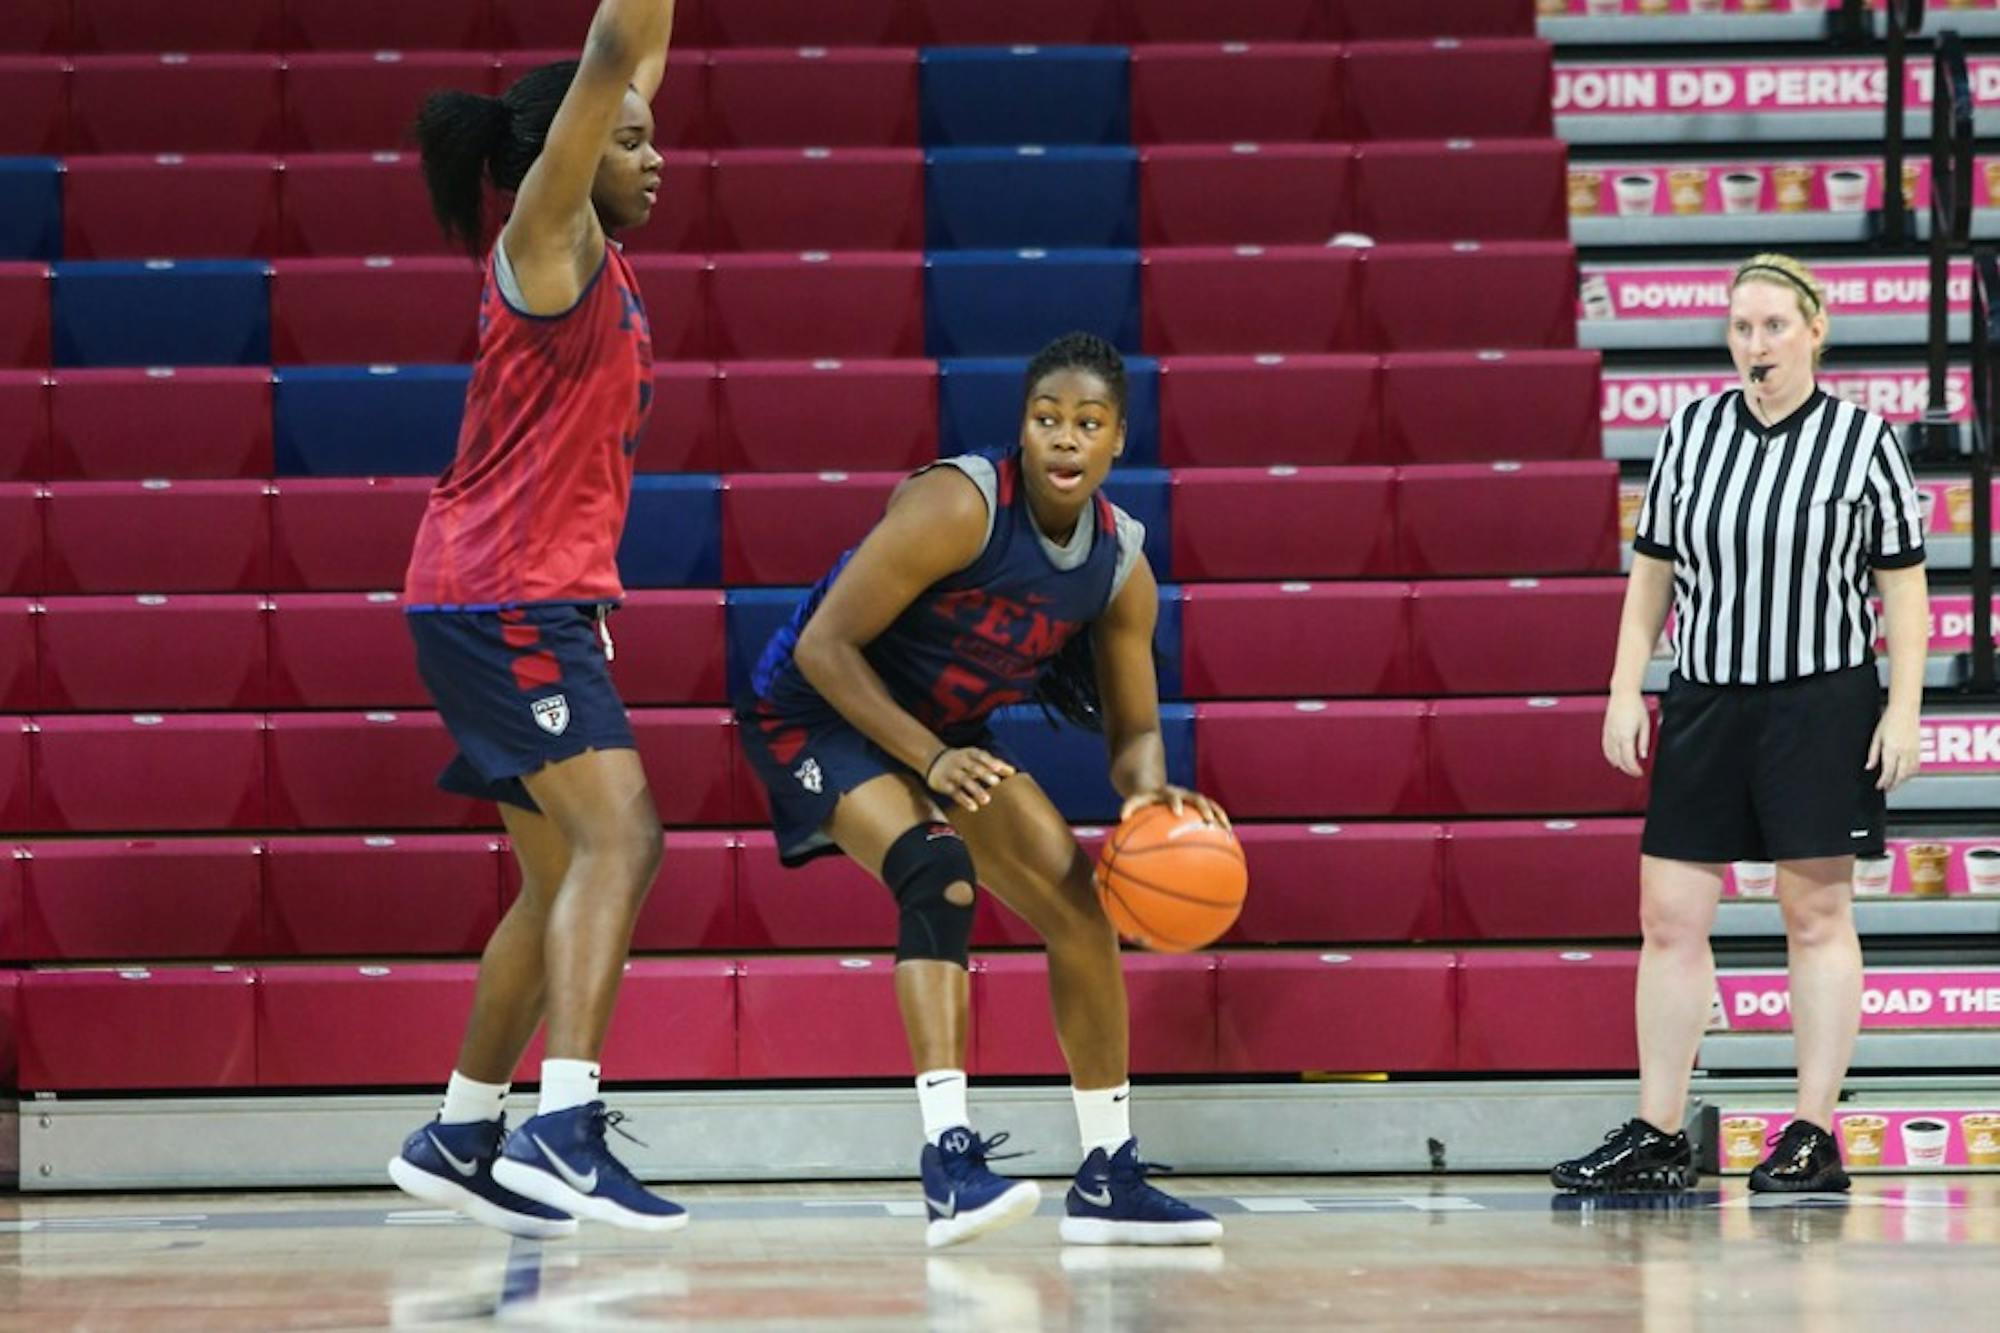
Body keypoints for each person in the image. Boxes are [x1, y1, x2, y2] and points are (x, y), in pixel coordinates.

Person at [739, 332, 1227, 1248]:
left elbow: (1133, 732)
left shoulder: (1120, 563)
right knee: (936, 868)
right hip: (811, 708)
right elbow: (823, 648)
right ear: (1023, 429)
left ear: (1120, 439)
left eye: (1088, 423)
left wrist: (1149, 799)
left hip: (939, 733)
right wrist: (927, 761)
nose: (1065, 440)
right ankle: (949, 1161)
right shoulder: (958, 504)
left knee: (1082, 905)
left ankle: (1108, 1173)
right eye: (1047, 420)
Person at [385, 0, 687, 1237]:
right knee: (626, 839)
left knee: (560, 868)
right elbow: (617, 49)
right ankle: (562, 1128)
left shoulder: (594, 256)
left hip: (509, 594)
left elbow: (637, 64)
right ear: (566, 153)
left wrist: (635, 77)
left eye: (651, 138)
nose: (653, 155)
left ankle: (461, 1130)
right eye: (626, 141)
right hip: (502, 592)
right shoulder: (546, 234)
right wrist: (612, 76)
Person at [1554, 253, 1930, 1194]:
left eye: (1772, 326)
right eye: (1740, 327)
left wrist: (1905, 708)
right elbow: (1653, 571)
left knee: (1815, 913)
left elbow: (1905, 587)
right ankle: (1660, 1130)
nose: (1754, 344)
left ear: (1815, 332)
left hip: (1820, 701)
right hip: (1707, 697)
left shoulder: (1862, 440)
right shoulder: (1691, 433)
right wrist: (1620, 686)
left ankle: (1811, 1131)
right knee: (1668, 915)